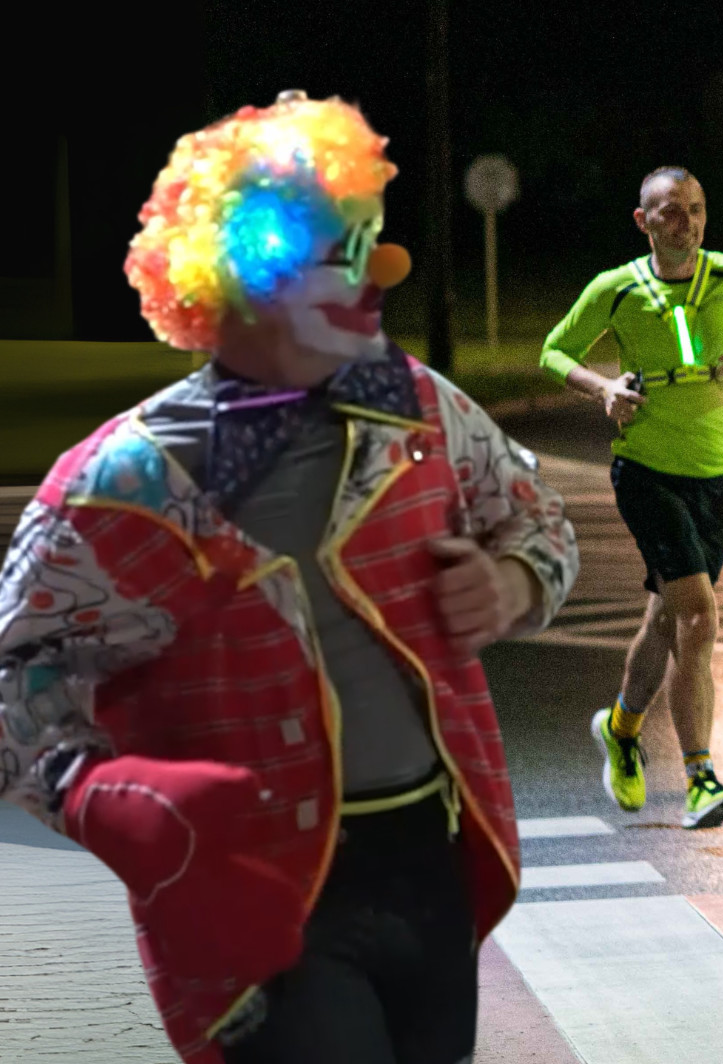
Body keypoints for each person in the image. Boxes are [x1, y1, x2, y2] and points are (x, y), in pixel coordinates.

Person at [0, 92, 577, 1064]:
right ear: (248, 269)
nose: (375, 277)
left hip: (429, 855)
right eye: (341, 256)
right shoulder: (124, 482)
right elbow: (16, 672)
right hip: (256, 890)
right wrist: (93, 789)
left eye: (371, 247)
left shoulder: (418, 407)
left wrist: (515, 581)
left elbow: (539, 520)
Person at [540, 166, 723, 830]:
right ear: (643, 220)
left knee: (666, 618)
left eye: (695, 209)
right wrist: (603, 391)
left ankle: (622, 730)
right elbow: (553, 351)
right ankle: (700, 779)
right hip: (648, 470)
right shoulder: (617, 287)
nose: (685, 221)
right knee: (699, 618)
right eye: (670, 212)